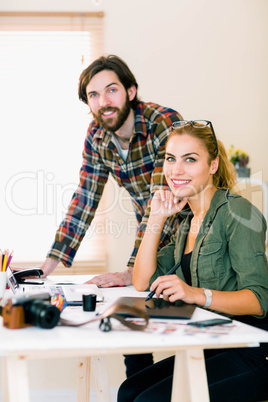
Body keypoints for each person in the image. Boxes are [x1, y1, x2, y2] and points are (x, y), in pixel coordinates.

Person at [39, 54, 183, 377]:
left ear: (131, 91)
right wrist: (45, 267)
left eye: (112, 90)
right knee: (133, 320)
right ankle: (139, 387)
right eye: (93, 95)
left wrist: (133, 268)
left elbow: (159, 202)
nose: (103, 102)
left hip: (188, 234)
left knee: (158, 309)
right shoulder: (97, 136)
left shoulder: (163, 123)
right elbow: (85, 198)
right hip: (152, 235)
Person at [117, 120, 268, 402]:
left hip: (250, 350)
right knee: (129, 391)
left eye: (190, 159)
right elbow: (141, 280)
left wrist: (195, 294)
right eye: (171, 159)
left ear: (212, 166)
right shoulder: (186, 220)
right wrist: (157, 218)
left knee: (149, 400)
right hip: (210, 344)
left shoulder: (237, 211)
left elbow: (259, 300)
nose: (176, 170)